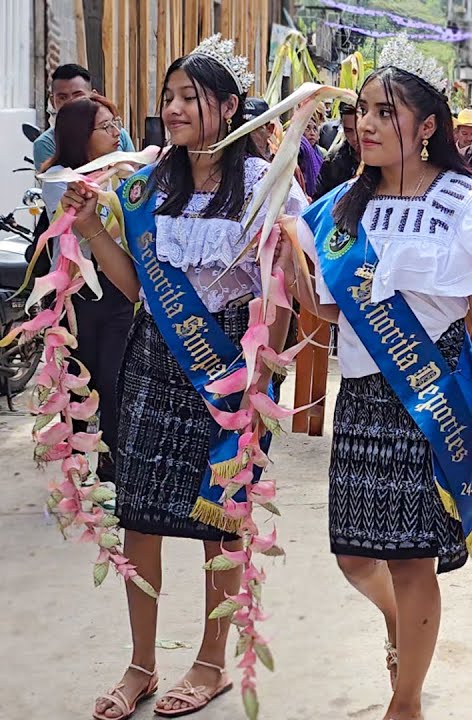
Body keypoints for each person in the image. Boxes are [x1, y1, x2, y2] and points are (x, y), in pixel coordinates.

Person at [282, 38, 472, 720]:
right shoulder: (340, 207)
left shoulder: (467, 203)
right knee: (355, 558)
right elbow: (323, 310)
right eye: (361, 109)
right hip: (362, 400)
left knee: (413, 561)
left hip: (434, 405)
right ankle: (402, 631)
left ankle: (406, 700)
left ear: (427, 127)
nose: (365, 123)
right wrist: (289, 263)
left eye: (384, 112)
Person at [59, 36, 304, 719]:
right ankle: (140, 664)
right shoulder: (147, 184)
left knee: (220, 517)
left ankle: (209, 662)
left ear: (229, 108)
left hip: (229, 362)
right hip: (152, 356)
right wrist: (89, 224)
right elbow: (140, 286)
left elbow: (276, 294)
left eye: (188, 97)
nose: (171, 108)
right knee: (139, 512)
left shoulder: (264, 184)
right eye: (168, 96)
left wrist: (262, 388)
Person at [39, 95, 138, 499]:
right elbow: (85, 233)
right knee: (80, 386)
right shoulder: (59, 178)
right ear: (82, 134)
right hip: (75, 302)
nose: (118, 134)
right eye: (107, 127)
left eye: (117, 124)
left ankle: (112, 475)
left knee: (115, 384)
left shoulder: (123, 174)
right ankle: (78, 472)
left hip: (116, 294)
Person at [33, 64, 137, 170]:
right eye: (62, 97)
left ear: (93, 97)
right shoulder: (45, 145)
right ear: (52, 102)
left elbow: (134, 178)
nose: (71, 102)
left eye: (78, 96)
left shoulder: (118, 134)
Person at [317, 102, 362, 199]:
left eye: (359, 129)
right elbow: (321, 199)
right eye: (348, 131)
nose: (355, 137)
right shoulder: (333, 161)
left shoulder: (387, 161)